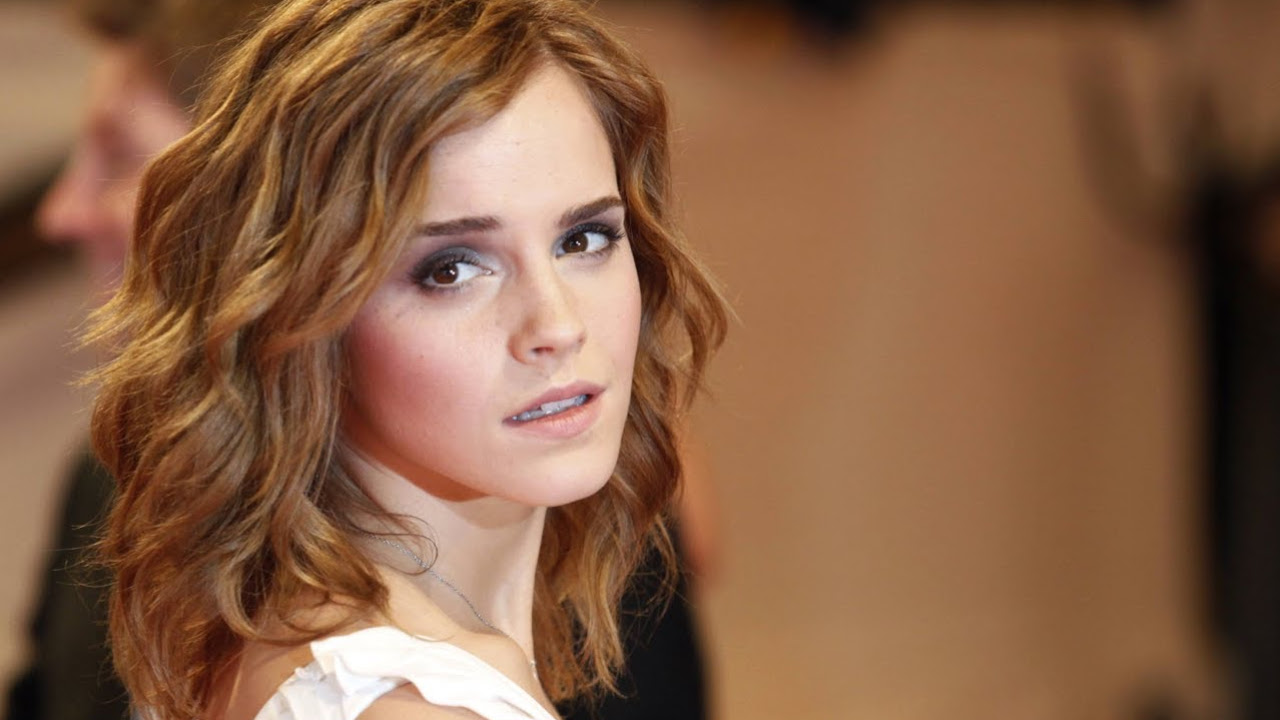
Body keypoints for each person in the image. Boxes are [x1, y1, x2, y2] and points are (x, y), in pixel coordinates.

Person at [85, 1, 727, 719]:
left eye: (582, 240)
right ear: (302, 315)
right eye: (452, 270)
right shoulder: (402, 702)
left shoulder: (289, 636)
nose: (558, 325)